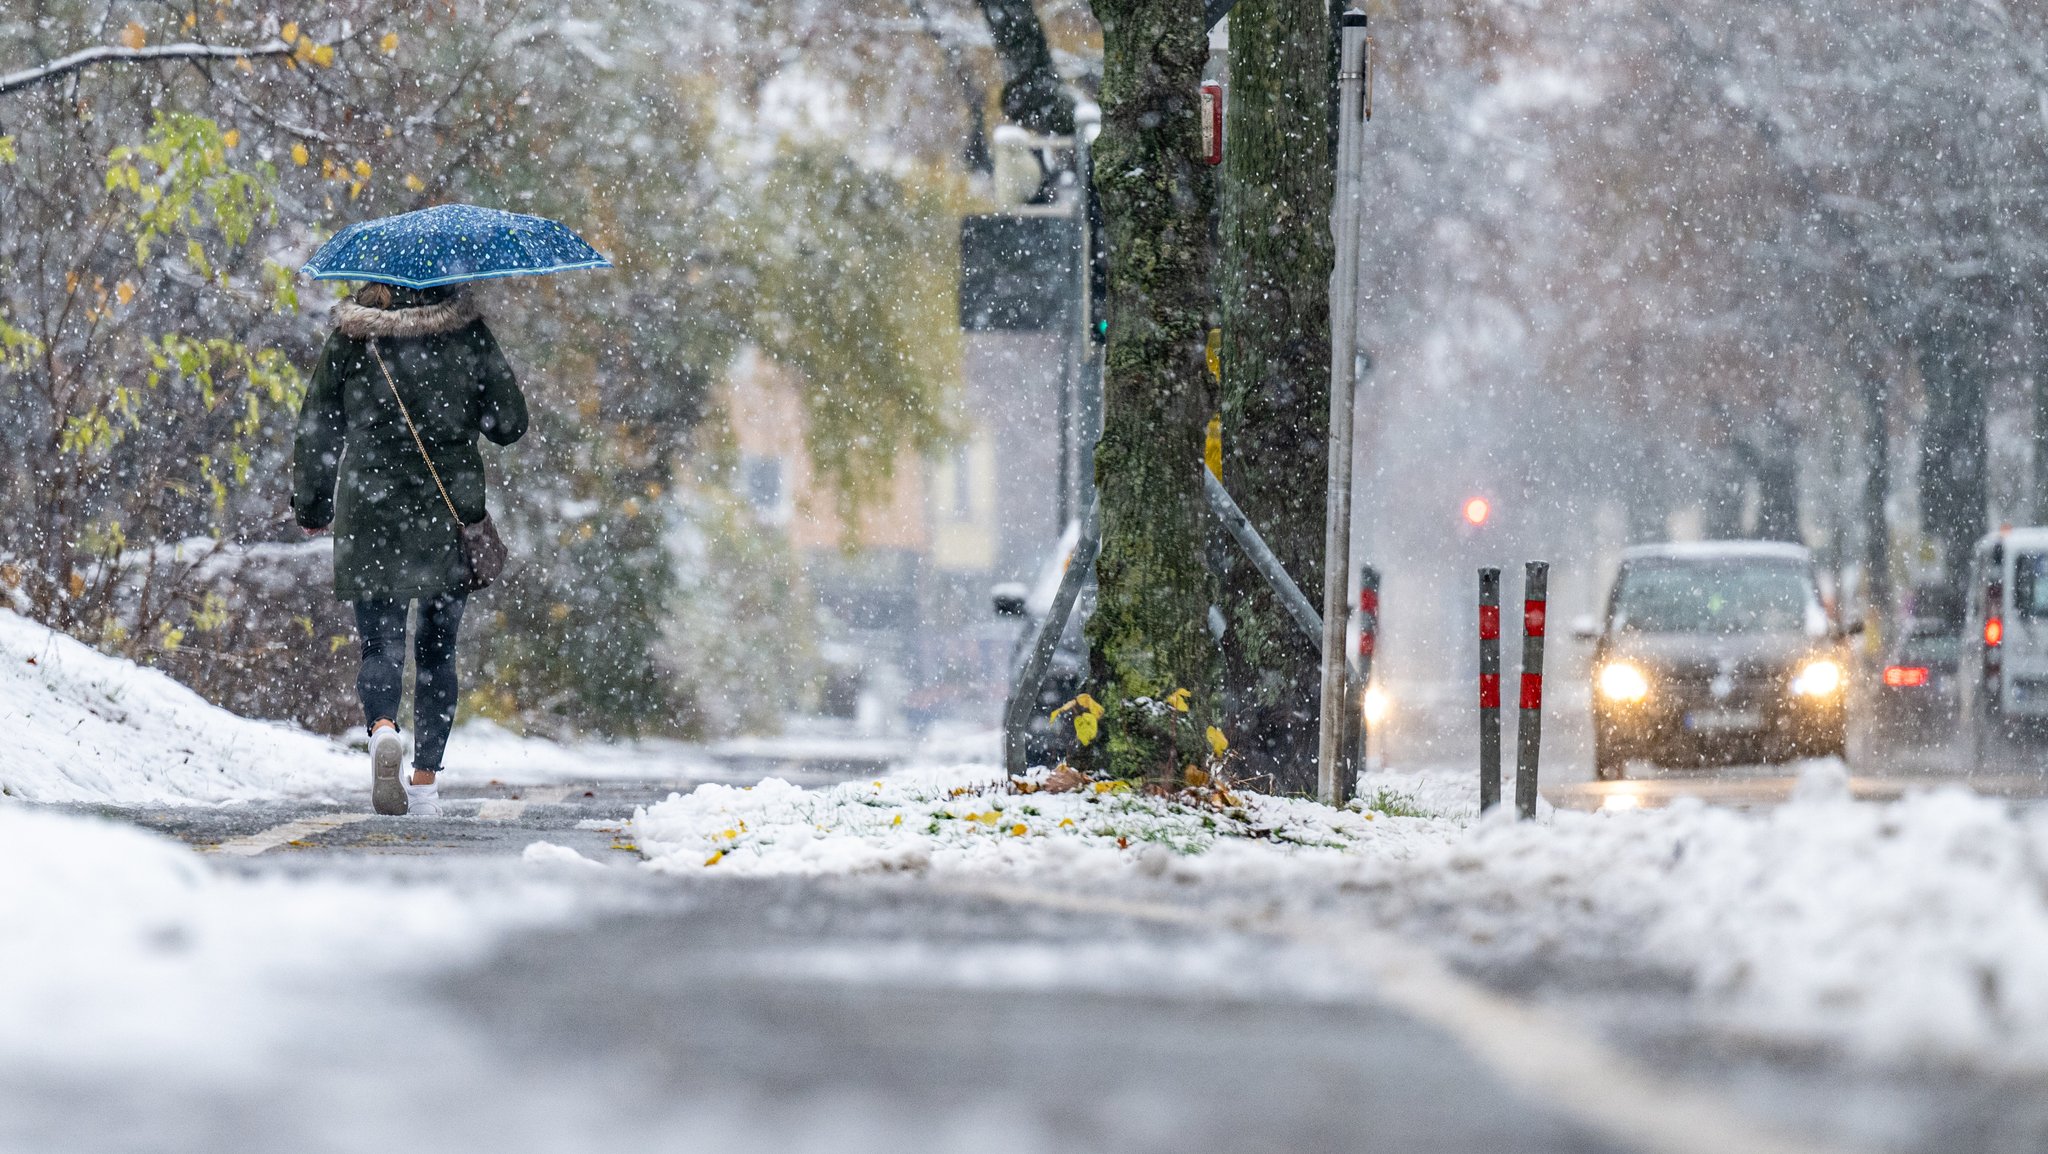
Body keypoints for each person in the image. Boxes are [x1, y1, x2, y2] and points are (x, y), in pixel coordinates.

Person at [291, 282, 527, 816]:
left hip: (370, 512)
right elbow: (510, 424)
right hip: (448, 511)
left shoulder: (353, 338)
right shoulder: (467, 333)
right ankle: (424, 782)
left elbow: (318, 426)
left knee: (380, 647)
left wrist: (312, 505)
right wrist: (468, 407)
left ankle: (381, 730)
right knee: (438, 653)